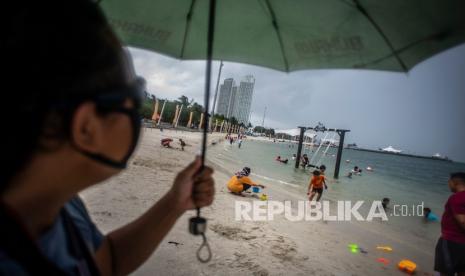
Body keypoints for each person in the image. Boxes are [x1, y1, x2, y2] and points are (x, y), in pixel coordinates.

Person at [0, 2, 215, 275]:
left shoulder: (63, 207)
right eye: (134, 99)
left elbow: (106, 261)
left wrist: (174, 202)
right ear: (86, 127)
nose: (138, 115)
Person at [435, 172, 465, 275]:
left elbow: (462, 221)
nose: (448, 184)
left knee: (446, 271)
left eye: (449, 181)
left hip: (451, 241)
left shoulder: (456, 197)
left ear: (455, 182)